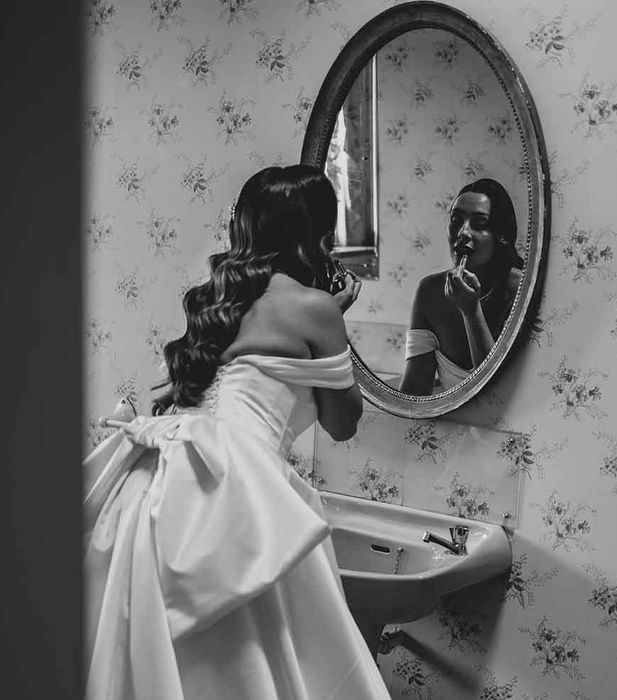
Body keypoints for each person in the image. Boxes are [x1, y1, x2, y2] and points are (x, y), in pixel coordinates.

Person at [83, 164, 392, 699]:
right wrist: (331, 320)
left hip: (155, 480)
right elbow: (344, 423)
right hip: (237, 488)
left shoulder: (214, 299)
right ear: (318, 236)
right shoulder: (314, 308)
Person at [398, 178, 525, 395]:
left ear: (500, 237)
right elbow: (414, 393)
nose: (463, 232)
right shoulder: (430, 292)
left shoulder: (520, 288)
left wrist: (471, 311)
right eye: (456, 220)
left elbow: (498, 396)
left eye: (479, 224)